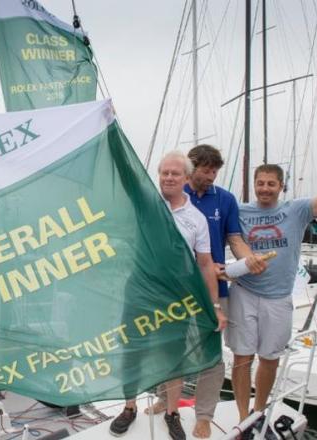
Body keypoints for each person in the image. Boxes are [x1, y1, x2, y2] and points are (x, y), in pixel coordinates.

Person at [227, 143, 317, 428]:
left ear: (281, 186)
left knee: (270, 359)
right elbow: (229, 238)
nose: (264, 188)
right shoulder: (239, 210)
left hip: (279, 297)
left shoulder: (298, 209)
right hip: (244, 292)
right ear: (254, 185)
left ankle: (258, 411)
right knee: (242, 358)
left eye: (270, 184)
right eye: (260, 183)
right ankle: (242, 417)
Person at [143, 145, 267, 438]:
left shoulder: (225, 200)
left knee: (210, 353)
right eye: (206, 170)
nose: (211, 176)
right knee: (168, 347)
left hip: (213, 286)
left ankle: (204, 414)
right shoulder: (163, 199)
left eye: (215, 171)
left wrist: (246, 259)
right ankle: (165, 399)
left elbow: (234, 238)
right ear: (192, 169)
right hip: (171, 291)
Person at [110, 151, 227, 440]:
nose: (169, 178)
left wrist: (214, 306)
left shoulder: (196, 219)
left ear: (186, 179)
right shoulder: (148, 203)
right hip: (139, 289)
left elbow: (204, 264)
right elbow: (126, 175)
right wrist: (110, 132)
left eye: (175, 173)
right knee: (133, 348)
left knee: (173, 356)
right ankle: (129, 406)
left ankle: (172, 413)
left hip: (176, 298)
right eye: (164, 173)